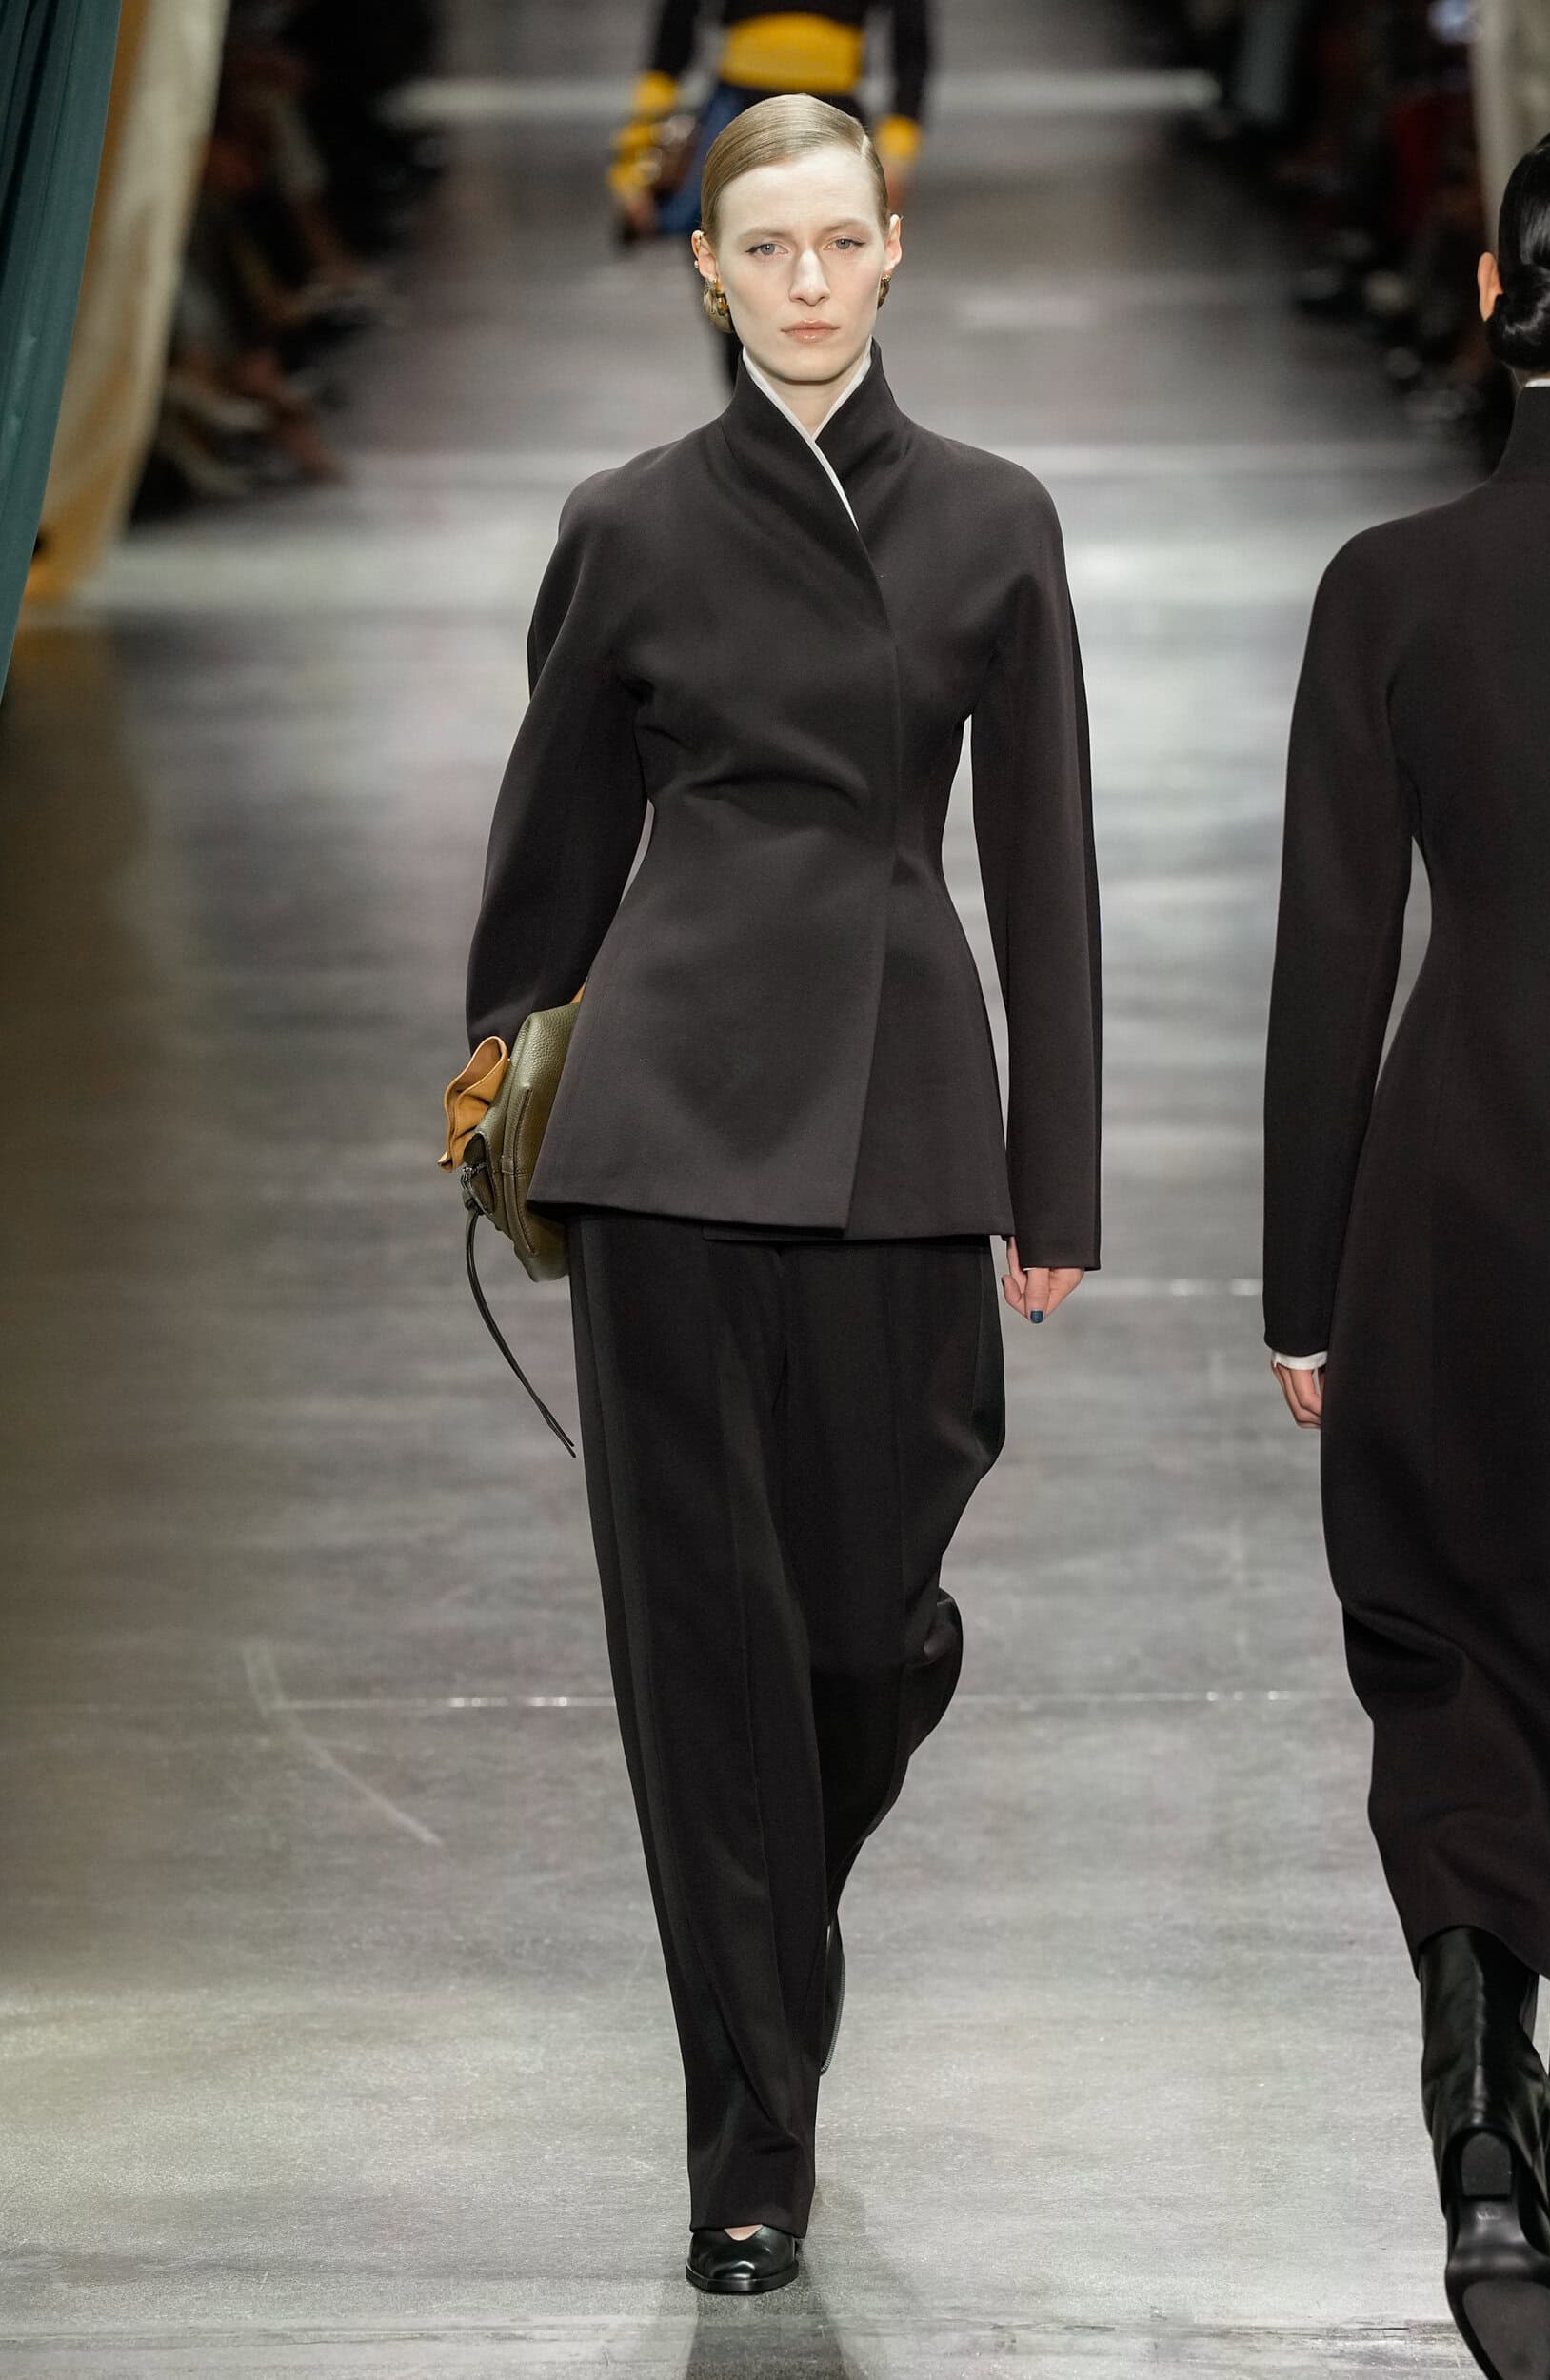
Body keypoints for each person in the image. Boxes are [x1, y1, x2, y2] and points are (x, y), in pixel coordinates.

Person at [463, 92, 1101, 2294]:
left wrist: (1054, 1174)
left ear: (893, 247)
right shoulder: (628, 527)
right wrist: (499, 1060)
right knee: (696, 1650)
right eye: (767, 248)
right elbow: (555, 827)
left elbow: (1044, 861)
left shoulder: (996, 522)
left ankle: (775, 1904)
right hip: (664, 1128)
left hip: (903, 1113)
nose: (808, 282)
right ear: (707, 271)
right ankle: (748, 2140)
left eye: (841, 241)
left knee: (855, 1622)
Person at [1263, 117, 1550, 2380]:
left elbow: (1327, 964)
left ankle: (1482, 2117)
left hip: (1459, 1186)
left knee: (1455, 1658)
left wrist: (1305, 1288)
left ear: (1491, 301)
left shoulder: (1388, 586)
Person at [606, 0, 932, 386]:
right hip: (760, 122)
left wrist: (897, 152)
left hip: (792, 123)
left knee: (826, 307)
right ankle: (765, 417)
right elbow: (673, 37)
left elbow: (911, 43)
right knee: (741, 318)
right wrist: (635, 156)